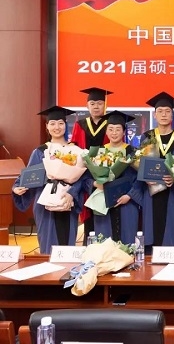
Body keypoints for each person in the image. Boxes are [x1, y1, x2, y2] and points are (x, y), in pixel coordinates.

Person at [12, 106, 82, 254]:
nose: (57, 127)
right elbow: (29, 175)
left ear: (66, 125)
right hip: (45, 203)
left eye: (61, 123)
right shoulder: (40, 151)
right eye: (53, 123)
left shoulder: (76, 150)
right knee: (48, 246)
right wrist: (17, 187)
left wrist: (72, 193)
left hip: (67, 200)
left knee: (68, 245)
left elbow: (83, 178)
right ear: (47, 126)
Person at [131, 92, 174, 252]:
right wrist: (145, 177)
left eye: (167, 111)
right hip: (151, 194)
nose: (164, 114)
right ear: (155, 115)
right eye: (160, 111)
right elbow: (140, 164)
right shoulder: (147, 137)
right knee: (152, 231)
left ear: (172, 115)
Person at [86, 111, 140, 245]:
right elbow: (86, 178)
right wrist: (95, 184)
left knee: (128, 240)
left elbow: (140, 179)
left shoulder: (133, 152)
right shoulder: (98, 152)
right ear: (106, 132)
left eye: (118, 129)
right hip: (103, 201)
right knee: (104, 241)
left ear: (124, 132)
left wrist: (130, 195)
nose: (114, 133)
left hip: (127, 203)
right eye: (110, 129)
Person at [70, 87, 113, 242]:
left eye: (100, 103)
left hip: (106, 174)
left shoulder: (111, 124)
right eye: (92, 103)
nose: (96, 106)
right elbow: (74, 148)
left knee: (105, 210)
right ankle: (89, 243)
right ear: (87, 105)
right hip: (85, 175)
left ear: (105, 105)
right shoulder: (80, 124)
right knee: (88, 210)